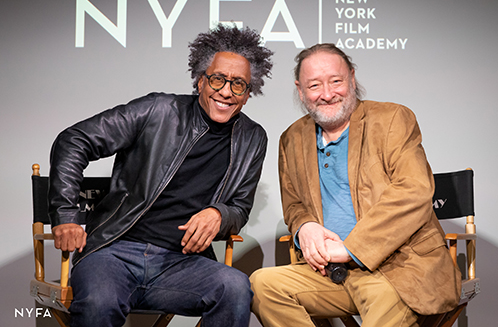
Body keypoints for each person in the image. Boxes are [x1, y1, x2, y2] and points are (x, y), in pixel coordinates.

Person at [48, 24, 273, 327]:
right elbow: (74, 140)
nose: (225, 91)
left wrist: (219, 215)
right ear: (200, 80)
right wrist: (66, 214)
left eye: (238, 84)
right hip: (113, 253)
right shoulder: (159, 110)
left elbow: (240, 208)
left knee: (234, 288)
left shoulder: (253, 138)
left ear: (248, 94)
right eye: (218, 79)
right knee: (99, 301)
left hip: (182, 263)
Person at [250, 43, 461, 327]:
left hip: (396, 271)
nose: (326, 94)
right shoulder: (292, 138)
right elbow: (294, 205)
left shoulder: (391, 119)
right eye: (314, 86)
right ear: (300, 90)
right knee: (263, 285)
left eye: (335, 81)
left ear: (351, 78)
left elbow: (414, 191)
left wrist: (351, 249)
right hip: (328, 273)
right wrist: (304, 226)